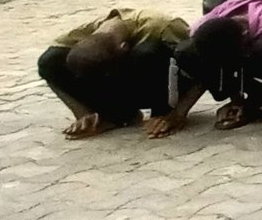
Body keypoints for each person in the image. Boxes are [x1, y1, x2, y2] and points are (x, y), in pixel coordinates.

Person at [156, 0, 262, 136]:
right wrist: (179, 113)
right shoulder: (203, 27)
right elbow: (209, 64)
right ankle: (255, 98)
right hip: (239, 44)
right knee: (187, 52)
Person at [38, 9, 193, 139]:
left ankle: (161, 113)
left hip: (163, 84)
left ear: (124, 48)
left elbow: (201, 64)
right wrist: (84, 114)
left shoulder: (163, 26)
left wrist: (178, 113)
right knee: (49, 60)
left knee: (147, 52)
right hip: (126, 80)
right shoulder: (77, 35)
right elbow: (48, 68)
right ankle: (114, 116)